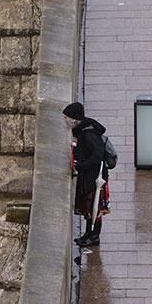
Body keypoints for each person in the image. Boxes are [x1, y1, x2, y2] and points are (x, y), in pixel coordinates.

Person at [63, 101, 109, 247]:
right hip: (89, 176)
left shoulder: (89, 134)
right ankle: (88, 233)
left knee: (95, 206)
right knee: (90, 208)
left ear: (75, 119)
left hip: (95, 177)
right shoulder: (83, 132)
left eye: (67, 118)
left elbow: (97, 155)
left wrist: (82, 165)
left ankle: (94, 236)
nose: (65, 121)